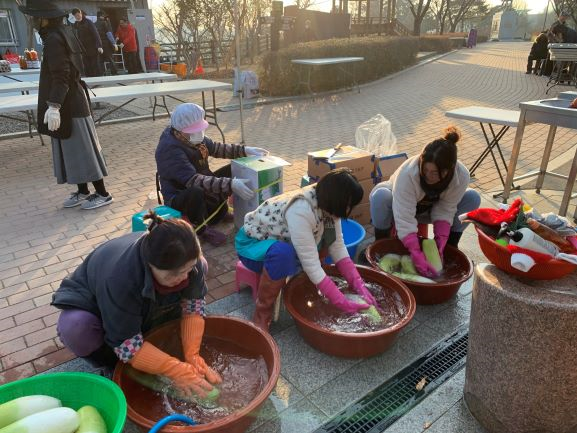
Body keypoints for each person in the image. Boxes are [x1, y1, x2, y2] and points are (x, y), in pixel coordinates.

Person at [52, 212, 221, 395]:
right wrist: (174, 369)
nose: (183, 278)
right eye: (173, 274)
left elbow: (193, 309)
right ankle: (111, 365)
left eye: (188, 269)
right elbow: (127, 345)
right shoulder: (121, 278)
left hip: (138, 301)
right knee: (76, 326)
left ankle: (151, 342)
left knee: (201, 267)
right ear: (150, 264)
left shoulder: (189, 261)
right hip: (94, 304)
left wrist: (192, 355)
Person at [235, 168, 377, 331]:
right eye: (348, 205)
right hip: (253, 245)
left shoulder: (328, 202)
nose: (347, 210)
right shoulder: (301, 210)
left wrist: (359, 285)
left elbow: (337, 246)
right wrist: (341, 301)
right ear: (337, 200)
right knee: (283, 255)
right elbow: (311, 264)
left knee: (327, 240)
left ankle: (311, 285)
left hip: (283, 240)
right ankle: (262, 313)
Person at [18, 0, 113, 210]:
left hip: (70, 104)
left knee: (83, 151)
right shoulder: (61, 32)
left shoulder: (54, 39)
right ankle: (83, 191)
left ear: (43, 19)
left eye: (34, 17)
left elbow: (62, 74)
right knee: (71, 150)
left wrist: (54, 106)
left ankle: (103, 194)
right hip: (69, 100)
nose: (32, 20)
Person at [369, 126, 481, 278]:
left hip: (429, 212)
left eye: (434, 172)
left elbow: (446, 208)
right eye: (425, 170)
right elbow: (404, 215)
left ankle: (450, 247)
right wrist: (415, 251)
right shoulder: (408, 173)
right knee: (380, 196)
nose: (428, 176)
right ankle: (380, 245)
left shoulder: (461, 175)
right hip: (399, 208)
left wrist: (440, 240)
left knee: (473, 198)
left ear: (449, 169)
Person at [156, 103, 269, 247]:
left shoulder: (192, 138)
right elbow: (193, 181)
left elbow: (217, 148)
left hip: (200, 185)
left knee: (232, 169)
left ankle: (220, 212)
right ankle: (201, 228)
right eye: (194, 130)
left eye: (199, 129)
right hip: (180, 196)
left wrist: (244, 150)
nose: (199, 133)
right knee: (196, 191)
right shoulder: (169, 149)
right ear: (179, 131)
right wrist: (231, 184)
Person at [71, 8, 102, 77]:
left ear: (81, 13)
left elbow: (96, 34)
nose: (77, 17)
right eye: (75, 16)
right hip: (83, 49)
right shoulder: (76, 24)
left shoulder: (88, 22)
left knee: (95, 65)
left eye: (78, 15)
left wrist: (99, 46)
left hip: (92, 48)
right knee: (87, 66)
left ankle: (98, 79)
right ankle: (90, 79)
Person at [95, 11, 118, 75]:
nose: (104, 17)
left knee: (100, 60)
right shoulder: (104, 23)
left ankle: (101, 73)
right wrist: (114, 43)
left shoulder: (94, 24)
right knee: (110, 59)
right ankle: (114, 72)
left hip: (98, 45)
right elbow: (109, 33)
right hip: (105, 44)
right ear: (101, 16)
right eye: (104, 16)